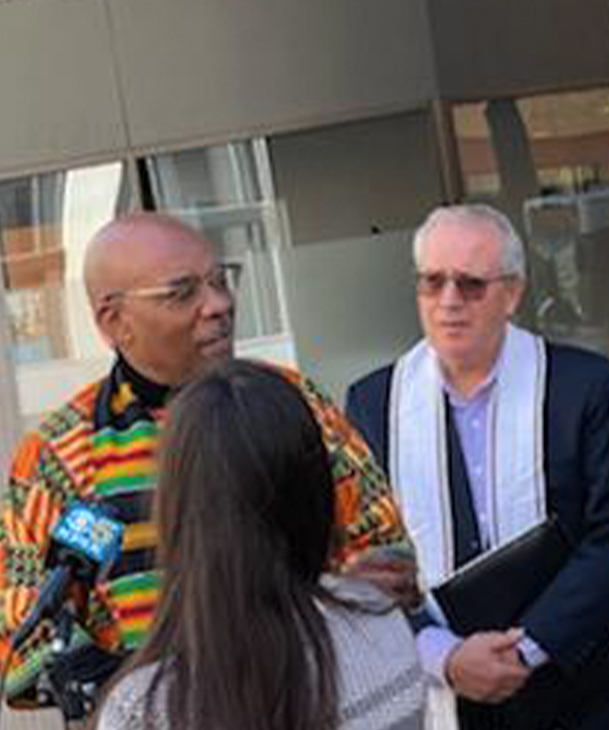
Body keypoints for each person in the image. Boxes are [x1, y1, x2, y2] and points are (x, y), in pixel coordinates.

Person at [0, 213, 413, 708]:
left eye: (220, 281)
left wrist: (351, 592)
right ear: (114, 322)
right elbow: (25, 638)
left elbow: (388, 552)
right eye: (182, 293)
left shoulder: (296, 403)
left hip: (319, 701)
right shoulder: (58, 458)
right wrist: (133, 694)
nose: (218, 305)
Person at [345, 205, 609, 730]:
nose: (448, 302)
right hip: (446, 690)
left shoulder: (580, 385)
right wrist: (443, 654)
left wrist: (526, 649)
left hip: (581, 678)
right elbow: (364, 558)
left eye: (470, 284)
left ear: (511, 293)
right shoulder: (375, 402)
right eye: (432, 283)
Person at [95, 359, 425, 730]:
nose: (216, 308)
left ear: (179, 513)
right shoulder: (381, 627)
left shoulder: (145, 710)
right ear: (317, 491)